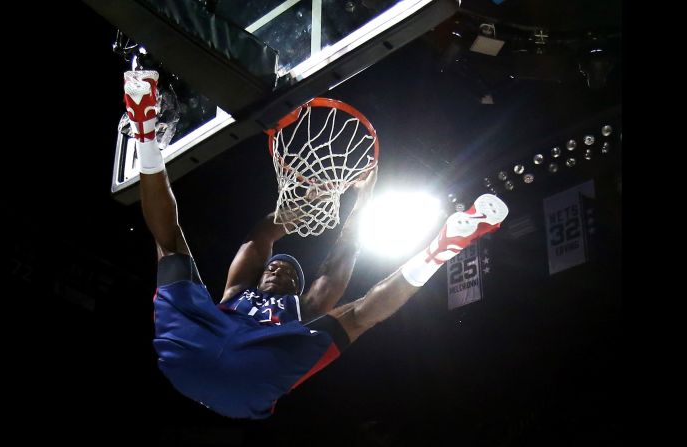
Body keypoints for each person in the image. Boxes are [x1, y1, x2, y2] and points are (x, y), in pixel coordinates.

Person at [124, 70, 509, 419]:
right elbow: (260, 237)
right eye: (275, 265)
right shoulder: (238, 292)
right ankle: (144, 129)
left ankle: (437, 251)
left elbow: (340, 259)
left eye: (289, 270)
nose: (277, 268)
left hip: (243, 373)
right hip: (207, 339)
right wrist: (304, 203)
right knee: (172, 245)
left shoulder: (303, 311)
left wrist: (364, 198)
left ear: (299, 286)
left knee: (357, 315)